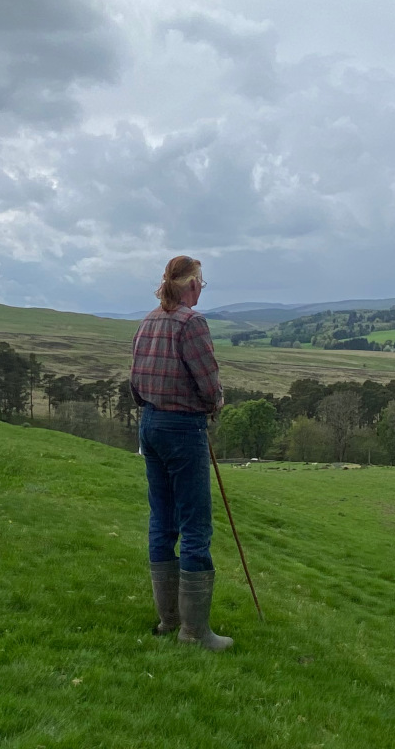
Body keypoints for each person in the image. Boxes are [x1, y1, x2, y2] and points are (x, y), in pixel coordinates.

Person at [129, 255, 232, 650]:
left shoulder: (149, 320)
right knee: (195, 526)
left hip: (150, 424)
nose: (202, 288)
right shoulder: (192, 323)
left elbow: (135, 378)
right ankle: (194, 633)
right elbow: (208, 383)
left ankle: (167, 622)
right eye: (202, 282)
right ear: (191, 284)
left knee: (162, 520)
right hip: (182, 427)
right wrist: (215, 404)